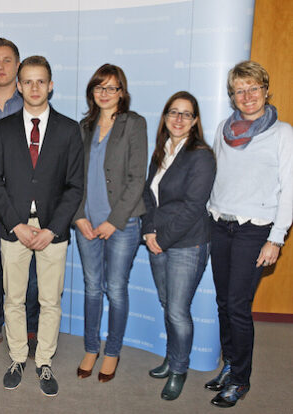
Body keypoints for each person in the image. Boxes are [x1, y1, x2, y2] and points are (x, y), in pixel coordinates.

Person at [0, 56, 83, 397]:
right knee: (12, 299)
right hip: (13, 228)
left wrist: (52, 228)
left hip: (52, 231)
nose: (34, 87)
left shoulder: (70, 130)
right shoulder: (3, 128)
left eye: (40, 81)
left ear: (51, 85)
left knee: (49, 300)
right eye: (27, 81)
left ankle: (43, 360)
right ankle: (16, 357)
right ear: (18, 85)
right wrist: (15, 224)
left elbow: (75, 186)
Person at [205, 60, 293, 408]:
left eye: (253, 88)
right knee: (224, 302)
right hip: (220, 224)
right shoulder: (224, 129)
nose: (248, 95)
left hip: (254, 230)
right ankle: (230, 365)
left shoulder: (283, 133)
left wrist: (277, 237)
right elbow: (217, 176)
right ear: (232, 96)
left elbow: (289, 189)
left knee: (239, 306)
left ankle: (241, 379)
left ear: (265, 90)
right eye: (240, 90)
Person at [73, 63, 147, 382]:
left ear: (122, 92)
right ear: (92, 92)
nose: (105, 93)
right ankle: (92, 347)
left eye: (111, 88)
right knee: (92, 288)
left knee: (115, 289)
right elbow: (73, 179)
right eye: (99, 87)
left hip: (123, 224)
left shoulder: (134, 124)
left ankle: (113, 351)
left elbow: (137, 178)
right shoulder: (83, 127)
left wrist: (113, 222)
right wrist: (77, 217)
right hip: (86, 224)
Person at [142, 91, 216, 400]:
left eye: (186, 114)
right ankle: (172, 358)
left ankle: (179, 369)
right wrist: (148, 232)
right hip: (157, 240)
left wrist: (161, 238)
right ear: (165, 116)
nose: (179, 118)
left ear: (195, 120)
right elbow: (147, 194)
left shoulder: (200, 155)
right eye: (173, 112)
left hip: (186, 243)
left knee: (177, 310)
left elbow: (193, 206)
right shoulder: (161, 150)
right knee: (166, 303)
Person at [0, 37, 40, 357]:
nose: (1, 67)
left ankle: (30, 327)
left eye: (7, 60)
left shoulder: (31, 102)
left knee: (28, 274)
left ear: (18, 64)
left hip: (24, 205)